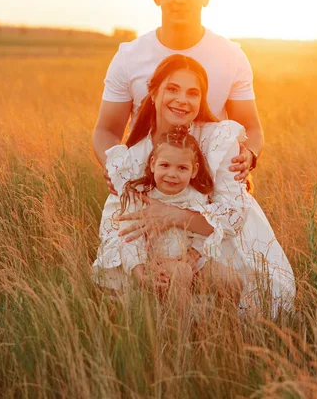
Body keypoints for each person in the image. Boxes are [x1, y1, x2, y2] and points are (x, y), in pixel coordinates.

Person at [92, 54, 295, 314]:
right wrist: (141, 268)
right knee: (150, 296)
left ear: (201, 101)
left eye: (192, 93)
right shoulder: (130, 157)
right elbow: (117, 227)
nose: (182, 100)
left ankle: (220, 336)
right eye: (172, 89)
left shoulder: (219, 139)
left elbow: (232, 219)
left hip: (217, 244)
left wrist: (172, 216)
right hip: (152, 253)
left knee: (234, 288)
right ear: (153, 94)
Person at [92, 0, 264, 190]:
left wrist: (250, 155)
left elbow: (251, 128)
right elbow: (106, 130)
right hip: (146, 184)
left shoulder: (231, 56)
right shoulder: (129, 56)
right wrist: (116, 167)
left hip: (213, 185)